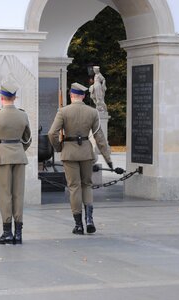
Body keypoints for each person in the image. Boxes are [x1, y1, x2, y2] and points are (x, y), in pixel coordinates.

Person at [48, 83, 113, 235]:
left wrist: (59, 147)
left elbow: (52, 133)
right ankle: (89, 219)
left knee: (74, 187)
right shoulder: (92, 112)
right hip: (85, 152)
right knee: (87, 185)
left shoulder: (63, 111)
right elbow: (99, 137)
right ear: (83, 96)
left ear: (71, 95)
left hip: (69, 153)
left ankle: (78, 225)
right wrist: (108, 158)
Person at [0, 82, 32, 245]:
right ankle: (18, 233)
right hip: (19, 155)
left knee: (5, 195)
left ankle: (7, 232)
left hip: (3, 156)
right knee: (18, 194)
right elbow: (28, 139)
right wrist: (18, 148)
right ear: (14, 97)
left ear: (2, 97)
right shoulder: (23, 115)